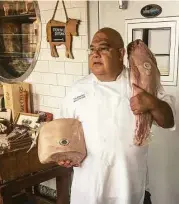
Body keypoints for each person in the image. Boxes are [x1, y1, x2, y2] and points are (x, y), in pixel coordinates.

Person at [58, 28, 175, 204]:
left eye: (103, 48)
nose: (95, 54)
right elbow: (64, 135)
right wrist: (64, 155)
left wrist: (152, 103)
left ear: (121, 54)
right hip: (89, 192)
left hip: (130, 188)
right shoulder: (77, 90)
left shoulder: (141, 82)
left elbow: (169, 120)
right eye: (92, 49)